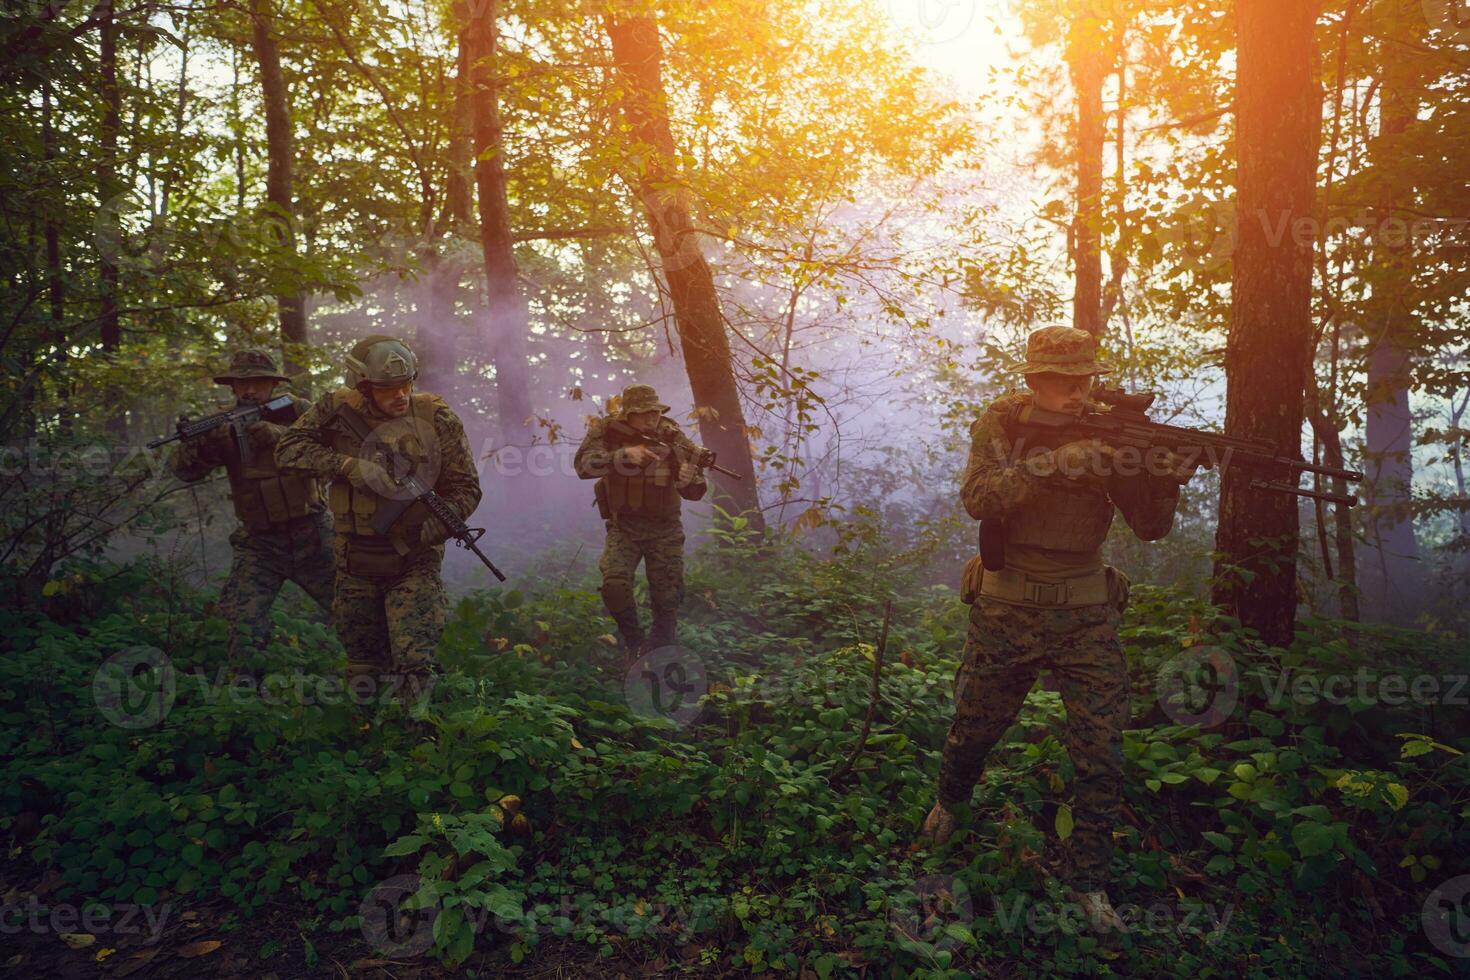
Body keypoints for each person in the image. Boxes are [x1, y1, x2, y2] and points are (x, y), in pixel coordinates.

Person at [920, 326, 1202, 932]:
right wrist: (1054, 462)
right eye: (1063, 382)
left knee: (1100, 750)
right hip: (1007, 606)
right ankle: (951, 804)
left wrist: (1166, 479)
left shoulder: (1111, 434)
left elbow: (1150, 526)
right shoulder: (1003, 425)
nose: (1077, 393)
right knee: (974, 726)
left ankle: (1088, 882)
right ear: (1034, 381)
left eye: (1085, 382)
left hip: (1085, 613)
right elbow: (979, 498)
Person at [275, 337, 481, 705]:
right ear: (364, 386)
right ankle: (366, 741)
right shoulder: (334, 408)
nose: (400, 395)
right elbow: (287, 449)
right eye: (388, 389)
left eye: (406, 385)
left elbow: (466, 487)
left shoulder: (436, 417)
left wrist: (448, 520)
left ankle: (416, 741)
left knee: (415, 663)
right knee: (362, 666)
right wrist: (347, 465)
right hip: (354, 558)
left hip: (413, 558)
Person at [167, 348, 335, 662]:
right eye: (242, 384)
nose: (250, 390)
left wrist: (281, 437)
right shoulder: (221, 425)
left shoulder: (298, 410)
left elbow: (334, 454)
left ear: (273, 385)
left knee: (356, 610)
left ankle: (388, 680)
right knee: (241, 625)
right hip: (260, 543)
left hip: (312, 533)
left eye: (258, 382)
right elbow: (184, 471)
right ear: (232, 387)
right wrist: (207, 445)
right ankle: (245, 696)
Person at [574, 383, 707, 663]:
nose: (651, 418)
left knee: (667, 596)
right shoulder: (607, 431)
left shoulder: (671, 435)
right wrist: (621, 456)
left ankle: (662, 653)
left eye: (655, 412)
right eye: (643, 413)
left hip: (665, 528)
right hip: (625, 528)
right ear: (628, 414)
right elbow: (583, 466)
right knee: (614, 585)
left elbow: (695, 490)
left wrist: (689, 479)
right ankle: (634, 643)